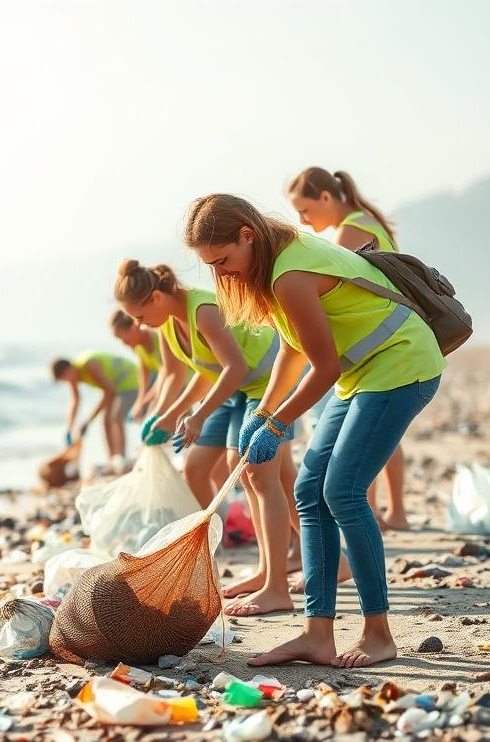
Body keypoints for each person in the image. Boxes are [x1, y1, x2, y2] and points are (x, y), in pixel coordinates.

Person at [184, 193, 444, 668]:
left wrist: (279, 424)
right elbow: (292, 350)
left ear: (247, 235)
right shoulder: (274, 265)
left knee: (343, 491)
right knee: (308, 489)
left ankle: (378, 634)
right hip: (362, 375)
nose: (221, 274)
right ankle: (316, 635)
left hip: (403, 364)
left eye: (223, 261)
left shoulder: (290, 271)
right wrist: (262, 414)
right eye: (211, 267)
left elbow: (322, 367)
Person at [114, 259, 301, 617]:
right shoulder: (167, 324)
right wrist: (166, 416)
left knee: (259, 474)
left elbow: (236, 368)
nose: (138, 326)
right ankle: (268, 569)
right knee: (204, 468)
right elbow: (195, 373)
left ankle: (277, 584)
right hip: (235, 392)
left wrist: (198, 415)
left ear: (155, 297)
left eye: (138, 315)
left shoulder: (202, 309)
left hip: (265, 382)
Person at [287, 167, 408, 531]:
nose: (303, 221)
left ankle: (371, 511)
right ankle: (394, 512)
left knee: (360, 433)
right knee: (384, 433)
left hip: (370, 343)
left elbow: (334, 291)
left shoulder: (350, 230)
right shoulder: (369, 221)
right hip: (391, 338)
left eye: (305, 210)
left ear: (326, 197)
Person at [51, 351, 138, 470]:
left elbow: (109, 392)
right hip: (115, 387)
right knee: (105, 420)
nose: (67, 382)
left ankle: (121, 459)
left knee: (115, 417)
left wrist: (88, 421)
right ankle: (113, 460)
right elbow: (75, 401)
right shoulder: (74, 375)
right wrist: (69, 428)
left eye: (65, 378)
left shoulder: (89, 365)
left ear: (69, 369)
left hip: (131, 380)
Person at [110, 309, 163, 420]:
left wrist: (145, 401)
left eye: (122, 338)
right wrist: (140, 400)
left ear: (134, 328)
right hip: (166, 384)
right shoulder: (138, 347)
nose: (124, 343)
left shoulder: (157, 337)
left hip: (184, 384)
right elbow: (144, 372)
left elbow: (167, 373)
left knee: (153, 415)